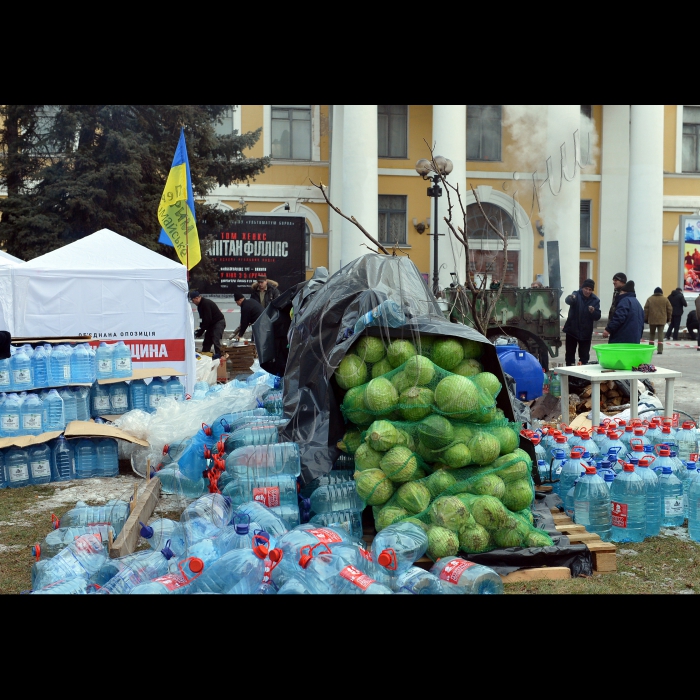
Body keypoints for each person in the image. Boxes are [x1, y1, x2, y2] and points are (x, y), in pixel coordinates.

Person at [563, 278, 601, 366]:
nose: (587, 291)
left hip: (586, 333)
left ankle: (583, 375)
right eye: (586, 288)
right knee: (570, 354)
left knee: (584, 357)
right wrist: (570, 298)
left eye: (590, 289)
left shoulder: (595, 300)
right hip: (572, 331)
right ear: (582, 288)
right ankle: (569, 373)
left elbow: (597, 316)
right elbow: (568, 301)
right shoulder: (576, 294)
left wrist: (593, 311)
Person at [603, 280, 644, 344]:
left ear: (623, 292)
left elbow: (619, 317)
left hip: (622, 338)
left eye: (620, 292)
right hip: (635, 338)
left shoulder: (625, 301)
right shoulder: (637, 303)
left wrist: (608, 329)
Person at [190, 290, 226, 357]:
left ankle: (220, 358)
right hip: (211, 324)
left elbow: (207, 319)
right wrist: (200, 328)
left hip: (218, 322)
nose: (193, 302)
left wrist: (201, 331)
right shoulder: (200, 306)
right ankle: (205, 357)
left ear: (197, 298)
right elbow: (202, 319)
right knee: (207, 341)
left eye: (193, 300)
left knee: (216, 340)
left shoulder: (205, 303)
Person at [644, 287, 672, 354]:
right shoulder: (665, 299)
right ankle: (660, 350)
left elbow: (646, 310)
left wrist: (646, 318)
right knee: (660, 334)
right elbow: (669, 309)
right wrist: (669, 318)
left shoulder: (650, 299)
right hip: (662, 320)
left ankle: (650, 349)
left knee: (652, 334)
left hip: (652, 319)